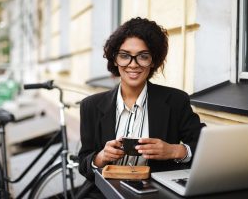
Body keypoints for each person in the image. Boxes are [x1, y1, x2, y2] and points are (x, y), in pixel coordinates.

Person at [77, 17, 205, 198]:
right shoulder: (91, 106)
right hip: (102, 193)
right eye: (124, 55)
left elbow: (203, 146)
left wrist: (174, 150)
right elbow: (84, 163)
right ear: (115, 60)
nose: (133, 64)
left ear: (153, 61)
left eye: (143, 56)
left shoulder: (176, 101)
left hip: (154, 193)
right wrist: (101, 157)